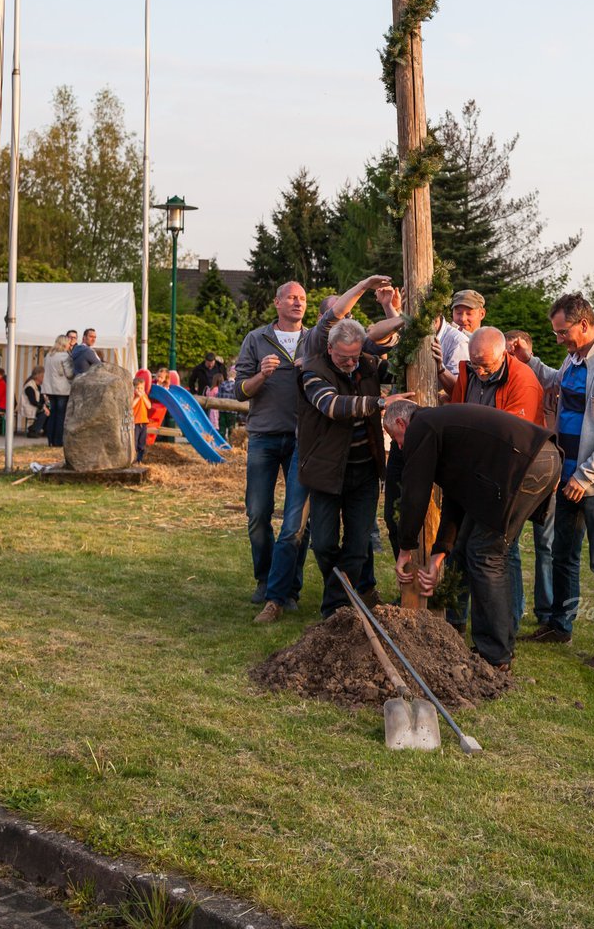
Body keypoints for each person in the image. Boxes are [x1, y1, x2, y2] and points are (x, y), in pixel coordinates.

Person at [386, 402, 560, 669]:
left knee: (486, 554)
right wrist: (437, 557)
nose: (399, 447)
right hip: (541, 458)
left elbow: (415, 493)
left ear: (401, 424)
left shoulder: (422, 425)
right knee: (479, 549)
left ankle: (494, 654)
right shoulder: (444, 430)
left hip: (526, 462)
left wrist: (405, 548)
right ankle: (499, 646)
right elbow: (458, 501)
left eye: (395, 439)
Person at [525, 293, 594, 667]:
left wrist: (585, 477)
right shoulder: (575, 358)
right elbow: (558, 383)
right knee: (563, 555)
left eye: (562, 332)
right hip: (568, 478)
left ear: (584, 325)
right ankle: (560, 625)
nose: (560, 339)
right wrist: (532, 362)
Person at [296, 318, 410, 619]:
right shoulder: (312, 371)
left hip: (365, 472)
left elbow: (402, 362)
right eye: (342, 356)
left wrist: (397, 316)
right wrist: (380, 402)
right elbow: (333, 406)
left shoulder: (368, 365)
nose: (349, 362)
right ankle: (342, 595)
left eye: (354, 356)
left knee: (359, 545)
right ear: (329, 347)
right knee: (322, 544)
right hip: (326, 472)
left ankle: (336, 607)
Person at [446, 326, 546, 634]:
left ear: (504, 354)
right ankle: (454, 618)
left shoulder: (524, 382)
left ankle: (509, 620)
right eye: (475, 362)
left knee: (503, 549)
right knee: (459, 547)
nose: (480, 370)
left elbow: (512, 441)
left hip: (510, 476)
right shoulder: (469, 373)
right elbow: (457, 413)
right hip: (473, 473)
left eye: (486, 365)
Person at [235, 282, 311, 613]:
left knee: (297, 519)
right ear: (277, 302)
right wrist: (261, 376)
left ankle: (289, 588)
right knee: (257, 513)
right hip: (264, 436)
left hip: (302, 438)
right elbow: (239, 391)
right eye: (292, 297)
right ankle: (265, 579)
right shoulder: (256, 339)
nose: (298, 303)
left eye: (303, 299)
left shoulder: (314, 340)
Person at [505, 328, 558, 625]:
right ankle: (515, 608)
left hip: (545, 472)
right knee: (509, 543)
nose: (511, 358)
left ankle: (546, 610)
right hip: (514, 473)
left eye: (517, 353)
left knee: (546, 545)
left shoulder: (545, 381)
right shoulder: (504, 383)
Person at [436, 290, 486, 394]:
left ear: (482, 313)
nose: (463, 319)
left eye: (469, 313)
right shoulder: (447, 336)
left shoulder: (491, 342)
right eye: (458, 313)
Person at [42, 335, 74, 447]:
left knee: (52, 414)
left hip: (50, 389)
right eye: (69, 343)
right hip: (62, 390)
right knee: (61, 416)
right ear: (64, 344)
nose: (70, 345)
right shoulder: (65, 356)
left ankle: (50, 440)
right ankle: (58, 441)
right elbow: (70, 374)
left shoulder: (49, 356)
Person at [20, 367, 49, 437]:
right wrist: (43, 407)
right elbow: (33, 401)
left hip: (35, 407)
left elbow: (41, 399)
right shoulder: (29, 386)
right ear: (39, 376)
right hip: (29, 407)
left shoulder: (38, 386)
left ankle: (43, 430)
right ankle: (34, 430)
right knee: (44, 413)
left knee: (50, 411)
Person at [217, 363, 237, 443]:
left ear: (228, 376)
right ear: (235, 377)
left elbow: (219, 396)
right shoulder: (236, 386)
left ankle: (221, 442)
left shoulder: (222, 384)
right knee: (231, 428)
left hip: (222, 410)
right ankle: (231, 443)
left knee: (222, 427)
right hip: (232, 411)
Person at [133, 376, 151, 464]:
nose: (140, 390)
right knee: (135, 442)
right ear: (134, 388)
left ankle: (139, 460)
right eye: (137, 388)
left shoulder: (145, 396)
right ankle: (133, 459)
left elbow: (149, 406)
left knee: (142, 442)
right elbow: (131, 406)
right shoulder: (133, 396)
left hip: (144, 422)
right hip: (135, 422)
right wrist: (138, 397)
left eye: (141, 388)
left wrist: (143, 396)